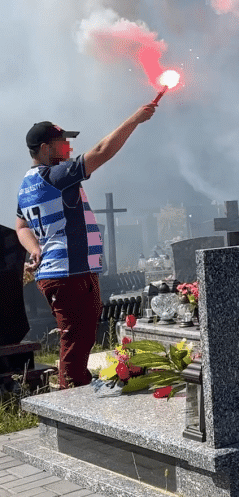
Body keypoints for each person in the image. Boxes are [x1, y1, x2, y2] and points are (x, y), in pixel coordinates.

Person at [16, 104, 157, 388]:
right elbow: (103, 151)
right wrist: (136, 118)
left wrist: (35, 249)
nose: (68, 147)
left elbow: (22, 226)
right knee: (76, 339)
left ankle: (77, 385)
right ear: (45, 149)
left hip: (63, 272)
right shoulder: (55, 176)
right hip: (70, 273)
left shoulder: (26, 185)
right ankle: (72, 398)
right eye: (62, 142)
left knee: (81, 336)